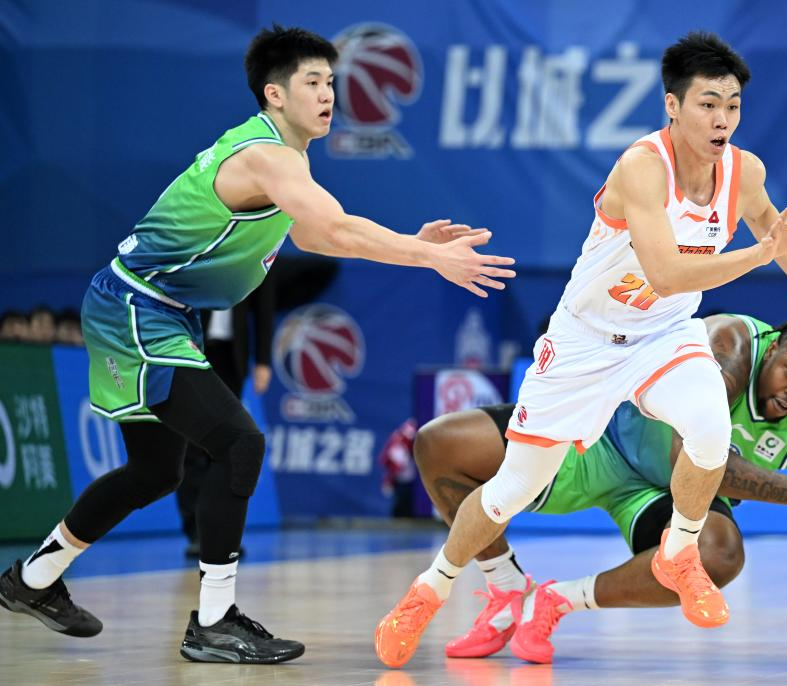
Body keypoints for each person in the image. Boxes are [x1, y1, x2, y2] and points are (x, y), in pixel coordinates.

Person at [0, 25, 514, 664]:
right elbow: (335, 228)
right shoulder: (268, 155)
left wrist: (414, 244)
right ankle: (214, 622)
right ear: (275, 93)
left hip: (155, 309)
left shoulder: (287, 158)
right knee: (238, 443)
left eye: (331, 82)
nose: (328, 94)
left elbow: (315, 238)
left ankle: (32, 579)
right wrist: (427, 256)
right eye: (312, 82)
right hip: (137, 307)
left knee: (156, 470)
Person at [376, 31, 787, 668]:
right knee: (513, 488)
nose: (722, 119)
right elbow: (666, 273)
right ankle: (430, 589)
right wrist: (757, 255)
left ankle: (678, 552)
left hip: (664, 334)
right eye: (708, 104)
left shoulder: (744, 172)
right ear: (673, 106)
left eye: (732, 105)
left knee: (708, 426)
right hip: (586, 341)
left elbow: (779, 243)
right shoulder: (642, 167)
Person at [415, 315, 787, 670]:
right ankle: (506, 586)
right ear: (771, 351)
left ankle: (553, 600)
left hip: (664, 497)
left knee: (720, 554)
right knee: (440, 444)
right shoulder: (729, 343)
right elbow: (692, 453)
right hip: (598, 440)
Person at [176, 277, 275, 558]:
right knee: (192, 444)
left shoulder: (258, 253)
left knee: (229, 444)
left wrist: (263, 360)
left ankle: (222, 533)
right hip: (193, 350)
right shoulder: (200, 250)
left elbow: (264, 308)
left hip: (233, 355)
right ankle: (196, 531)